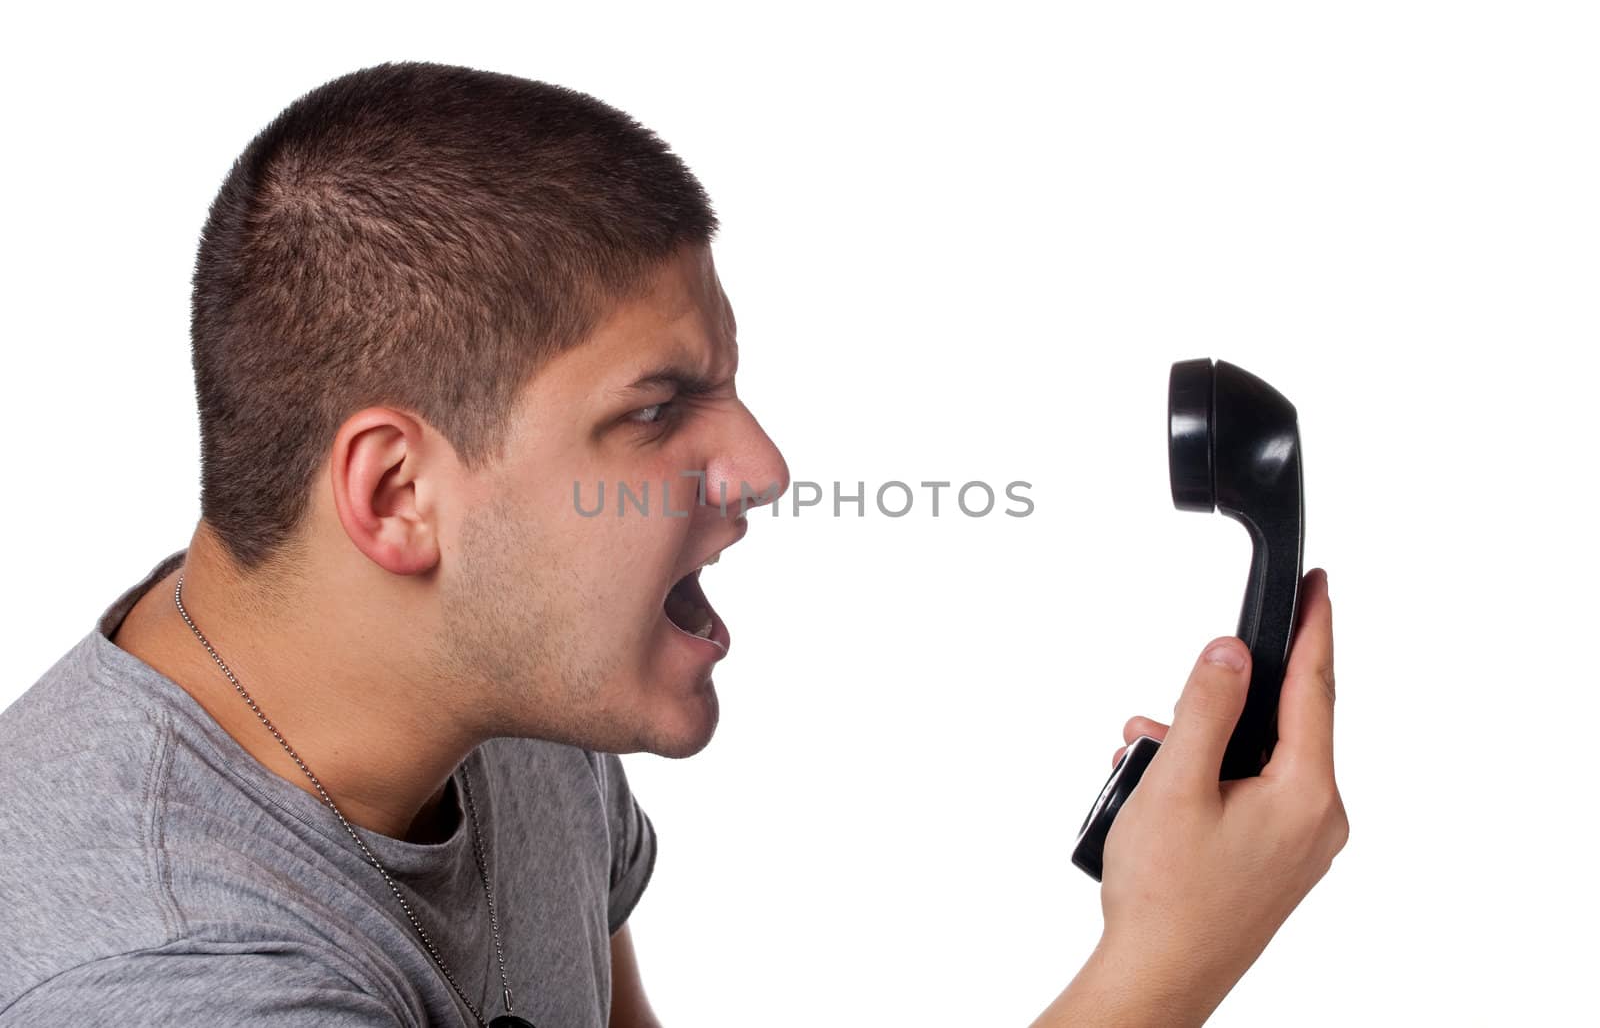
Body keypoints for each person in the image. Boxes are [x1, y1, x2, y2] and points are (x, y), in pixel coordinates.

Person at [0, 61, 1347, 1027]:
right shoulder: (161, 972)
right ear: (399, 494)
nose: (762, 469)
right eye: (658, 410)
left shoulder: (495, 691)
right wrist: (1162, 973)